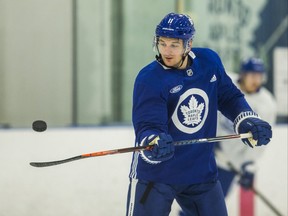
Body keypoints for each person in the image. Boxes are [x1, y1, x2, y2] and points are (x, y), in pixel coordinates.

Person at [126, 12, 272, 216]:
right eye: (162, 43)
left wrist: (246, 118)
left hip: (200, 172)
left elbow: (229, 97)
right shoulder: (149, 78)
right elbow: (148, 125)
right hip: (157, 175)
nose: (166, 51)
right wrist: (153, 141)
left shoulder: (209, 62)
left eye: (174, 45)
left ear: (188, 44)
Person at [214, 57, 277, 197]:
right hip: (205, 154)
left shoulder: (266, 104)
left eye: (259, 76)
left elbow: (261, 140)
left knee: (212, 206)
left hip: (227, 164)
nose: (256, 80)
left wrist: (248, 165)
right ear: (243, 74)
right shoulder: (225, 82)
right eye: (252, 75)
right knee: (191, 203)